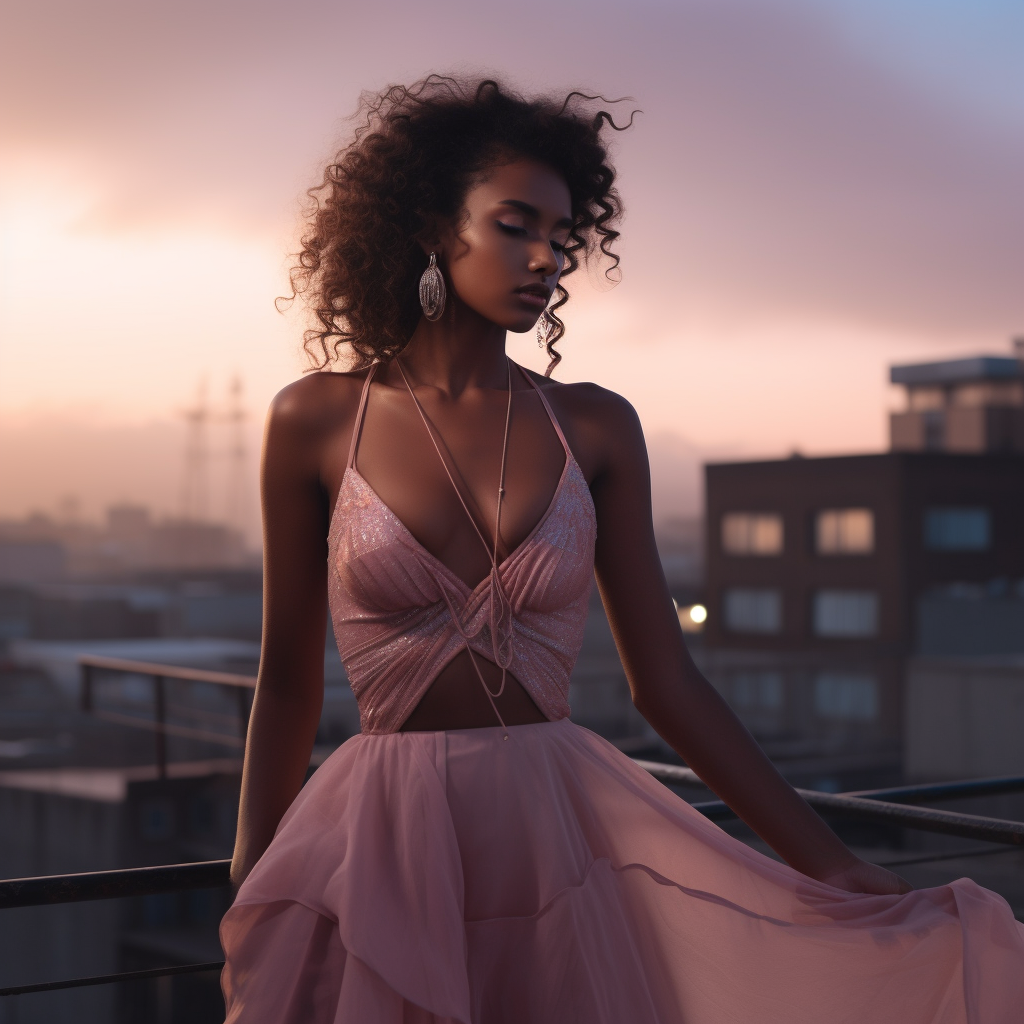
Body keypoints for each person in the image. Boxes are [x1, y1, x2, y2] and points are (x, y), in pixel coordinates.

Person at [220, 76, 1024, 1023]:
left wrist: (828, 859)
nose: (546, 259)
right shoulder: (314, 419)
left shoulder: (593, 427)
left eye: (562, 238)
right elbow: (286, 685)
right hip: (381, 840)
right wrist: (251, 876)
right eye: (516, 225)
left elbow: (667, 684)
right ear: (437, 226)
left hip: (556, 835)